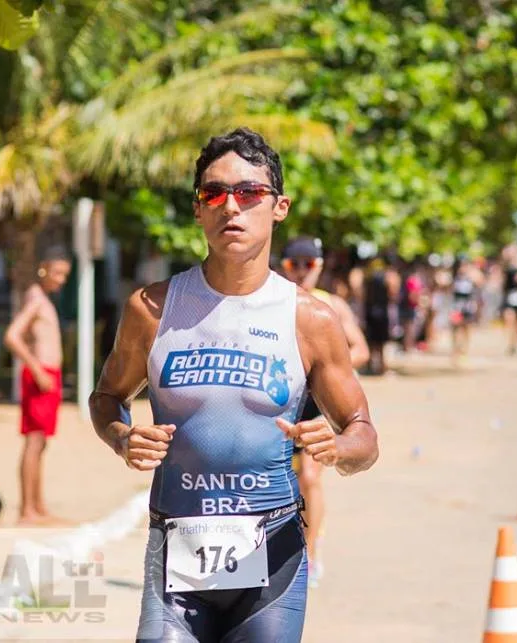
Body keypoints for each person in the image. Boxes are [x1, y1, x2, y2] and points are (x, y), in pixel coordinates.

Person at [88, 128, 379, 642]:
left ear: (279, 207)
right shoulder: (152, 310)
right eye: (213, 193)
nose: (231, 207)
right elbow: (106, 397)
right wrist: (121, 437)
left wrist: (337, 448)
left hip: (273, 553)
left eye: (249, 193)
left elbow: (364, 434)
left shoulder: (310, 318)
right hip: (176, 547)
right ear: (198, 210)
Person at [280, 236, 370, 588]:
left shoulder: (330, 305)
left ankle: (311, 555)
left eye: (309, 264)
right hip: (278, 405)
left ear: (319, 267)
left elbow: (359, 349)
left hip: (315, 405)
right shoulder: (272, 300)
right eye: (294, 264)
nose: (302, 272)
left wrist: (326, 369)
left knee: (311, 479)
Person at [3, 246, 72, 525]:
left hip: (49, 375)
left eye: (65, 275)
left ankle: (38, 505)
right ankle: (26, 509)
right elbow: (12, 336)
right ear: (43, 268)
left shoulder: (43, 298)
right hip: (39, 375)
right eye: (57, 273)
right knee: (33, 441)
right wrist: (35, 368)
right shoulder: (35, 299)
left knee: (41, 442)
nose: (61, 279)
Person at [501, 243, 517, 356]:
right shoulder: (506, 265)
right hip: (509, 295)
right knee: (509, 317)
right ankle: (510, 342)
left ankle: (516, 343)